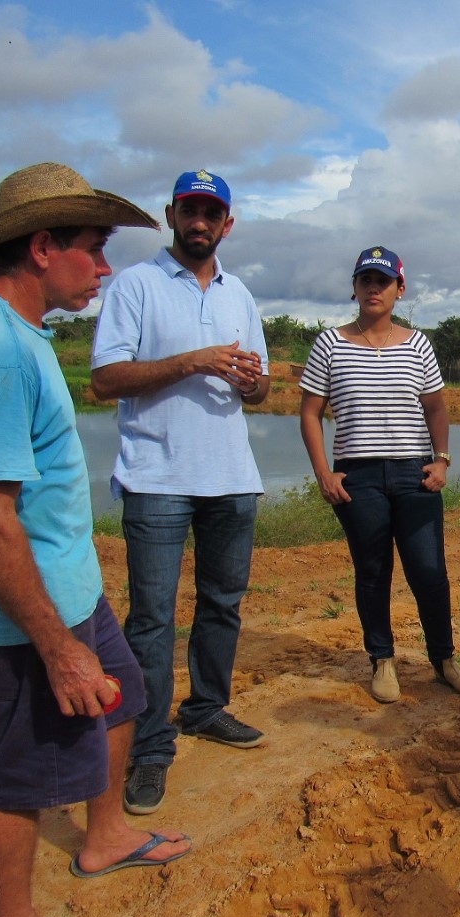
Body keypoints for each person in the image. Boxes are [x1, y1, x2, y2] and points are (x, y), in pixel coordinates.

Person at [0, 162, 191, 917]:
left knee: (123, 694)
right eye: (94, 249)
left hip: (63, 585)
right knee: (18, 767)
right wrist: (55, 644)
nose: (106, 268)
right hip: (22, 608)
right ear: (42, 247)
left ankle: (103, 837)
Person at [91, 170, 270, 817]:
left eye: (211, 212)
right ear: (171, 214)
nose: (200, 221)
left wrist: (249, 380)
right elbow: (107, 378)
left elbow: (262, 391)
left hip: (231, 477)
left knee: (223, 604)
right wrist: (194, 360)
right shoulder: (135, 286)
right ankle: (149, 747)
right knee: (152, 619)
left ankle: (206, 708)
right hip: (156, 478)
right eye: (190, 210)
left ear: (228, 222)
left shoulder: (240, 295)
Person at [298, 246, 460, 704]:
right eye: (365, 280)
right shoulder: (330, 343)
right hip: (357, 478)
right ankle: (382, 660)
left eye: (383, 281)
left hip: (413, 474)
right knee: (372, 570)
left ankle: (444, 661)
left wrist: (442, 459)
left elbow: (437, 408)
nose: (373, 288)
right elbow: (309, 413)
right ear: (355, 288)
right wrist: (324, 472)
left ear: (400, 289)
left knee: (428, 570)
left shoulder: (418, 344)